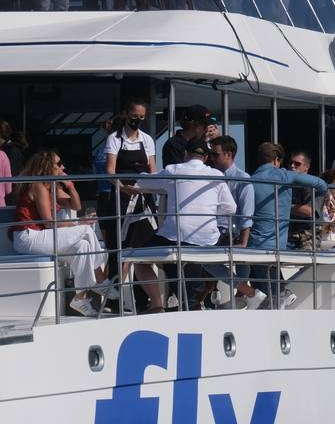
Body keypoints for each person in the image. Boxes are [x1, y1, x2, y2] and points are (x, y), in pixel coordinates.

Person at [135, 136, 236, 311]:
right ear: (205, 158)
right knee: (184, 262)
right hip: (207, 239)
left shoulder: (174, 170)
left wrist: (138, 175)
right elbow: (231, 208)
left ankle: (158, 305)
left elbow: (144, 182)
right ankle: (190, 301)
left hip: (175, 237)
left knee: (139, 260)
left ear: (185, 154)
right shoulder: (216, 175)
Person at [9, 151, 113, 317]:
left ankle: (80, 297)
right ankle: (99, 278)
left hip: (39, 235)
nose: (62, 167)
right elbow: (49, 222)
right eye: (58, 164)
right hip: (27, 236)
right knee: (85, 230)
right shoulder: (38, 185)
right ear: (46, 166)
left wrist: (70, 185)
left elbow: (76, 206)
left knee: (83, 246)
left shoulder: (51, 186)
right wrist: (79, 223)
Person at [248, 142, 327, 309]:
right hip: (278, 241)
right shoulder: (284, 176)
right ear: (277, 160)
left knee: (259, 274)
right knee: (268, 271)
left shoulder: (250, 180)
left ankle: (275, 297)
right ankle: (281, 295)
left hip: (253, 241)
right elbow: (320, 184)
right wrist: (325, 195)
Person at [101, 99, 158, 312]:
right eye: (135, 116)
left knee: (142, 250)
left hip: (143, 199)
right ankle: (113, 299)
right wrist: (122, 187)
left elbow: (153, 171)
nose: (137, 121)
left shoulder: (148, 140)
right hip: (122, 198)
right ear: (126, 114)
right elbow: (110, 170)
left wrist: (150, 189)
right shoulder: (114, 140)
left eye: (142, 118)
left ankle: (144, 300)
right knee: (120, 248)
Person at [207, 135, 264, 309]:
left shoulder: (242, 179)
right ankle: (245, 293)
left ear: (229, 154)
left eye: (215, 155)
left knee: (204, 260)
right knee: (202, 260)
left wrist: (244, 242)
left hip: (231, 233)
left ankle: (245, 293)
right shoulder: (211, 175)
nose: (211, 158)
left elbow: (247, 213)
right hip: (213, 231)